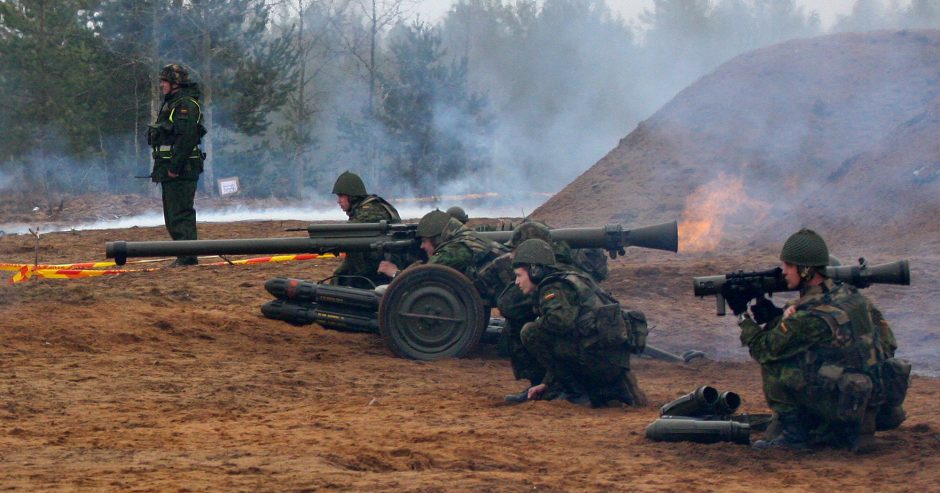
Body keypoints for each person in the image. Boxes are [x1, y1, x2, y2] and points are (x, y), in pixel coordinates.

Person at [724, 228, 908, 452]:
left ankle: (795, 437)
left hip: (841, 400)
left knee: (776, 360)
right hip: (872, 395)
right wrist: (776, 318)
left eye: (789, 266)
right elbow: (888, 343)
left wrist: (742, 315)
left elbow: (764, 348)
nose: (784, 272)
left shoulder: (809, 315)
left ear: (806, 269)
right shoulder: (852, 296)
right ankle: (863, 422)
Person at [510, 238, 646, 407]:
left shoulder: (553, 288)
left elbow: (560, 323)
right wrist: (547, 383)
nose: (517, 282)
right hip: (612, 361)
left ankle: (575, 393)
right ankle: (606, 388)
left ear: (535, 270)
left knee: (531, 332)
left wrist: (539, 321)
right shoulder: (572, 277)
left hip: (597, 361)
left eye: (518, 276)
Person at [377, 210, 510, 301]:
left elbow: (423, 278)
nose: (422, 247)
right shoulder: (465, 239)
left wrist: (395, 273)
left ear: (438, 239)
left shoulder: (456, 250)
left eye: (424, 241)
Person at [148, 63, 207, 267]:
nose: (162, 85)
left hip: (181, 170)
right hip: (171, 169)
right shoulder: (173, 103)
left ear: (175, 83)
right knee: (173, 214)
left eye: (165, 81)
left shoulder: (185, 105)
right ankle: (184, 255)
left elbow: (186, 138)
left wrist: (174, 167)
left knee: (180, 213)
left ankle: (187, 257)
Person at [331, 171, 401, 289]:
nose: (338, 201)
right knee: (339, 276)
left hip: (382, 269)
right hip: (377, 264)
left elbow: (349, 236)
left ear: (351, 196)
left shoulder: (369, 212)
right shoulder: (367, 208)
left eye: (341, 196)